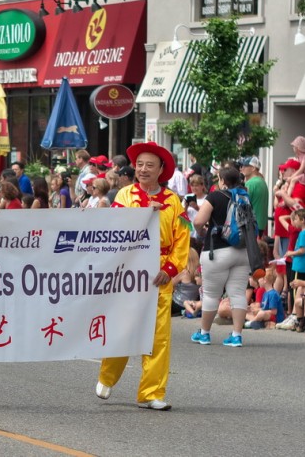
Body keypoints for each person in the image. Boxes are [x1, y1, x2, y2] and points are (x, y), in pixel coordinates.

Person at [95, 141, 189, 411]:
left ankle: (151, 392)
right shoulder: (124, 195)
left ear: (161, 170)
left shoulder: (174, 202)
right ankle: (107, 375)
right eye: (140, 165)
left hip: (160, 273)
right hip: (129, 270)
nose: (143, 169)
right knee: (124, 326)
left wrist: (169, 269)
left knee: (158, 335)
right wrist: (143, 214)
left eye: (150, 165)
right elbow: (113, 230)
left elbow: (182, 240)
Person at [191, 166, 251, 347]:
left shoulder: (215, 196)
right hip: (242, 251)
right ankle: (236, 335)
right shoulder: (245, 197)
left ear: (222, 180)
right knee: (238, 293)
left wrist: (201, 230)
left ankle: (204, 333)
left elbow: (198, 221)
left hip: (217, 251)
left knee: (210, 294)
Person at [283, 209, 305, 332]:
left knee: (295, 290)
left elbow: (302, 250)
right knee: (302, 291)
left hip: (300, 266)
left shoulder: (304, 233)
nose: (294, 221)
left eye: (296, 219)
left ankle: (297, 317)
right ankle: (299, 317)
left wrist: (291, 252)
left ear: (303, 220)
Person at [240, 156, 268, 236]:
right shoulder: (262, 181)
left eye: (245, 166)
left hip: (252, 225)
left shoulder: (251, 183)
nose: (242, 168)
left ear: (253, 168)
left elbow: (242, 204)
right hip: (260, 224)